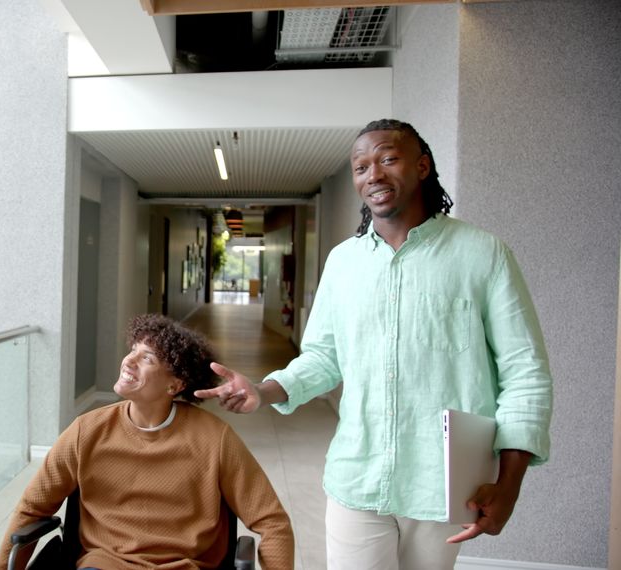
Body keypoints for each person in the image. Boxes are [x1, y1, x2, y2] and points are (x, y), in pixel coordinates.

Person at [196, 119, 553, 570]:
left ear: (422, 166)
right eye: (361, 167)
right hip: (357, 475)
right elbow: (324, 357)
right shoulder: (344, 262)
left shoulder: (483, 254)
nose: (373, 175)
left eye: (388, 159)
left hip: (443, 483)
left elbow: (526, 373)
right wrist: (263, 391)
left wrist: (510, 484)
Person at [0, 314, 295, 570]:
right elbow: (32, 509)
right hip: (105, 564)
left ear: (174, 385)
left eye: (147, 358)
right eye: (133, 350)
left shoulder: (214, 439)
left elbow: (272, 522)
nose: (129, 361)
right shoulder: (86, 431)